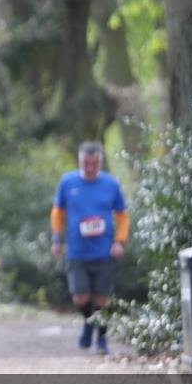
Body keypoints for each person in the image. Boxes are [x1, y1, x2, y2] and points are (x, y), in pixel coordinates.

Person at [50, 141, 130, 356]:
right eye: (86, 163)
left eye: (94, 163)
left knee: (103, 299)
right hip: (77, 251)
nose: (90, 168)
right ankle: (88, 323)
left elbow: (123, 217)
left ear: (100, 163)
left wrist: (120, 241)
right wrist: (57, 238)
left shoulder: (111, 184)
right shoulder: (67, 182)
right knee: (80, 297)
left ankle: (102, 340)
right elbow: (58, 212)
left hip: (104, 251)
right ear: (80, 161)